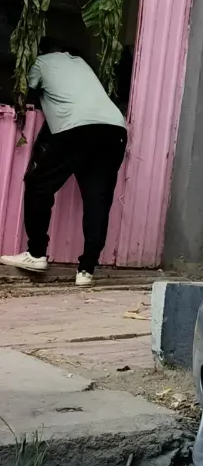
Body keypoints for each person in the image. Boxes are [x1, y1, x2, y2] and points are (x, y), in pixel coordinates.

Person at [0, 42, 129, 287]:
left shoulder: (40, 62)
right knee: (97, 199)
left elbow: (23, 88)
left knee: (39, 184)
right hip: (115, 130)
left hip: (77, 128)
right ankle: (86, 270)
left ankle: (36, 254)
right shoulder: (81, 64)